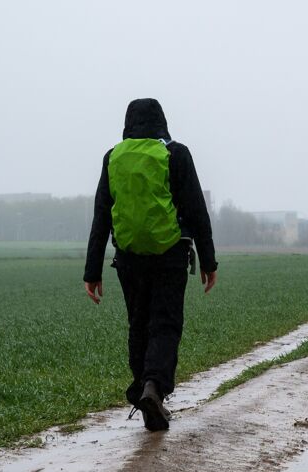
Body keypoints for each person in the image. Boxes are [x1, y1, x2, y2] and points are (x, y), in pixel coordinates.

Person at [83, 98, 218, 431]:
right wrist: (209, 261)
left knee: (139, 323)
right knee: (165, 323)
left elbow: (102, 215)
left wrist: (92, 271)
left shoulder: (113, 157)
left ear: (128, 123)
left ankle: (144, 389)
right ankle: (153, 387)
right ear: (162, 121)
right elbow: (197, 210)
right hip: (171, 254)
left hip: (128, 257)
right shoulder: (176, 154)